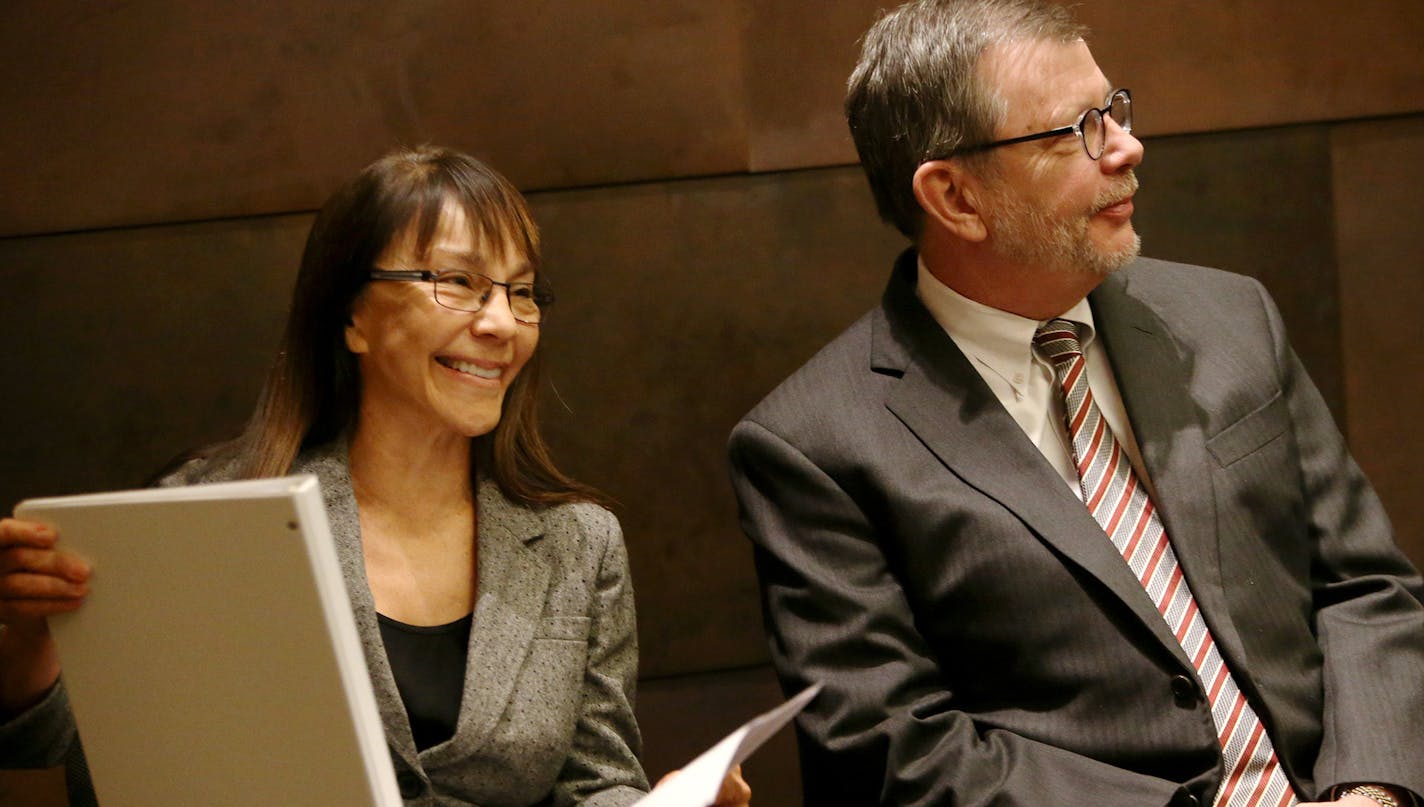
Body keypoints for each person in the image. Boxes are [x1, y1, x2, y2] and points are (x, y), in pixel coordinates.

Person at [726, 1, 1424, 805]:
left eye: (1113, 109)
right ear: (955, 197)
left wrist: (1371, 790)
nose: (1126, 146)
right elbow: (896, 749)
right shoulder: (815, 444)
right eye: (1074, 131)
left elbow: (1365, 587)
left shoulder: (1231, 319)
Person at [0, 145, 750, 807]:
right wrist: (29, 650)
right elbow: (104, 776)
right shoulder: (210, 512)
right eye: (458, 281)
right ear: (354, 316)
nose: (500, 322)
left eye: (521, 292)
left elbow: (594, 786)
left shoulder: (579, 545)